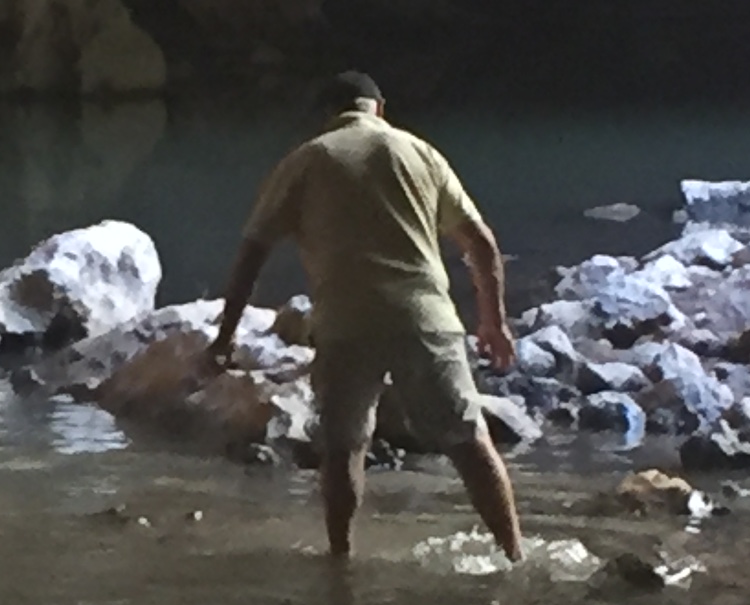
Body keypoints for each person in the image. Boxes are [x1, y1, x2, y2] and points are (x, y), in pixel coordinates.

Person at [209, 72, 523, 562]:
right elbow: (480, 243)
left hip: (346, 324)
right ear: (379, 107)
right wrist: (493, 322)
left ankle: (341, 560)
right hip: (426, 318)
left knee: (344, 448)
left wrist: (225, 336)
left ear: (328, 114)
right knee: (469, 439)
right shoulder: (421, 152)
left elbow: (253, 251)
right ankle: (514, 554)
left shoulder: (308, 159)